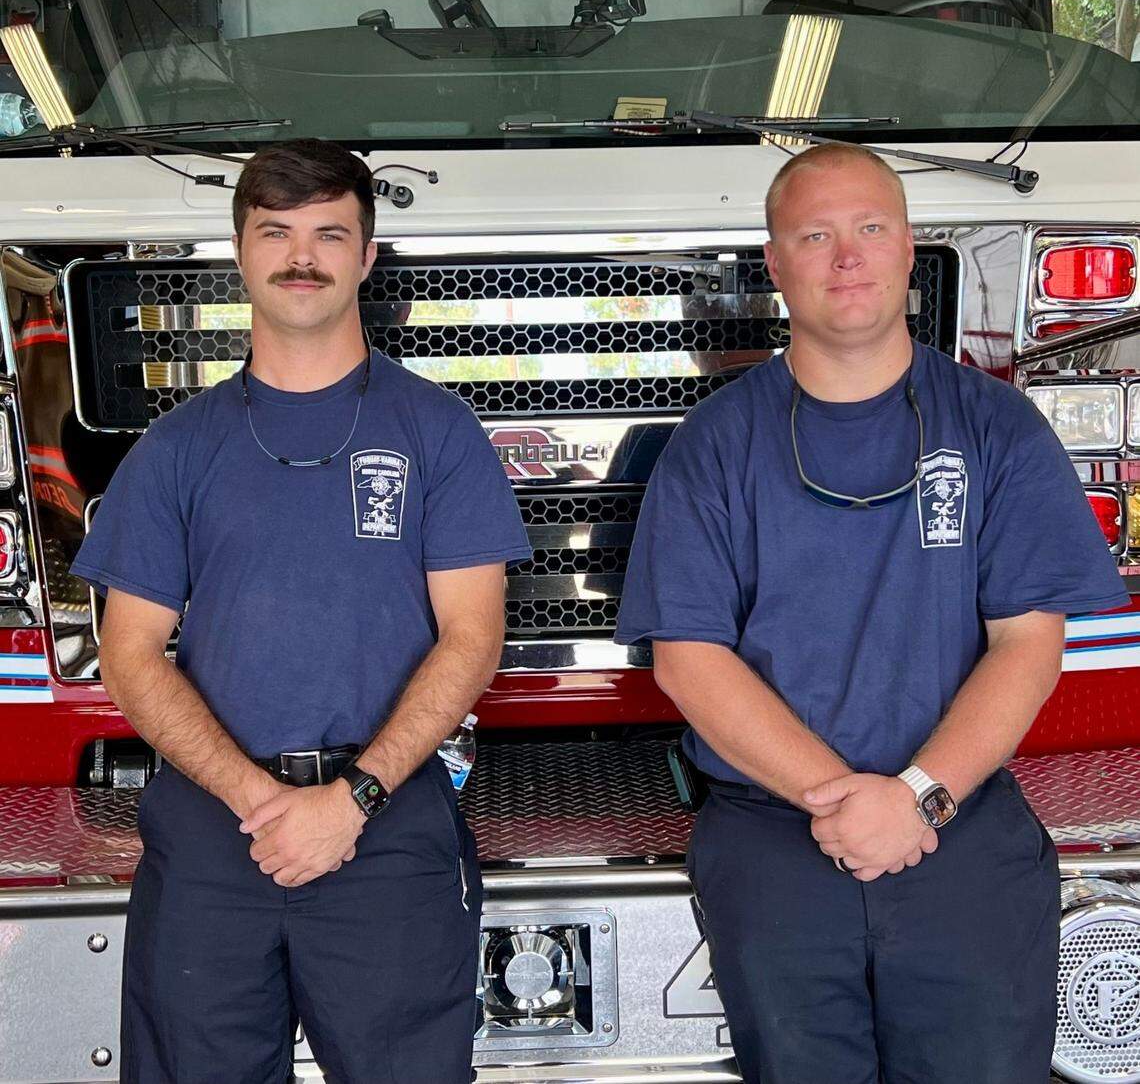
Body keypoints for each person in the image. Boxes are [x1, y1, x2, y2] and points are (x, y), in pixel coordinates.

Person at [615, 142, 1128, 1083]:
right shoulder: (712, 447)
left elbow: (1028, 645)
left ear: (906, 249)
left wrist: (917, 795)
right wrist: (846, 804)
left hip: (961, 833)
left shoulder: (998, 427)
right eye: (815, 235)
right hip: (773, 844)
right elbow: (687, 657)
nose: (846, 256)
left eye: (870, 229)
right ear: (774, 264)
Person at [72, 138, 531, 1084]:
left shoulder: (438, 434)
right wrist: (260, 802)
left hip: (389, 828)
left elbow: (472, 638)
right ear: (241, 250)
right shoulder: (175, 447)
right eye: (275, 231)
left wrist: (351, 798)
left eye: (331, 232)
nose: (302, 255)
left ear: (367, 257)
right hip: (210, 834)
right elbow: (129, 652)